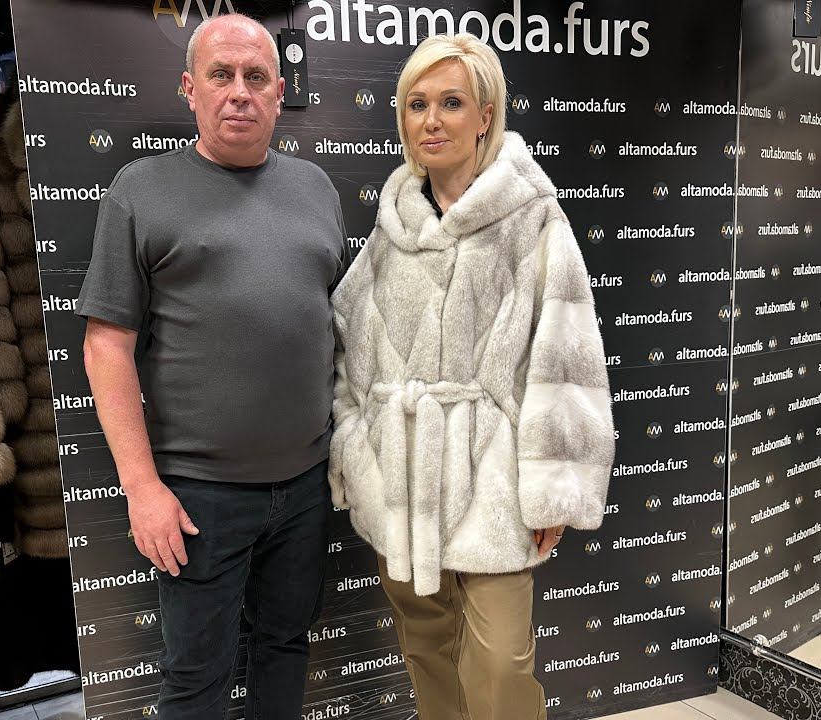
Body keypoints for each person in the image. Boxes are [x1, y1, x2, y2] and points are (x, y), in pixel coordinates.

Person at [329, 34, 615, 719]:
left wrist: (554, 489)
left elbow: (566, 358)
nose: (431, 120)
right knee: (426, 647)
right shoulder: (391, 228)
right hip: (401, 478)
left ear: (486, 115)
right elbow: (348, 349)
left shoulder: (533, 219)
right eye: (417, 104)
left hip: (496, 477)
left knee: (500, 665)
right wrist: (357, 447)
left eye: (451, 103)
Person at [76, 15, 350, 718]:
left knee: (286, 648)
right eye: (221, 75)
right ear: (189, 88)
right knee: (197, 679)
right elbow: (106, 346)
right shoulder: (141, 190)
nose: (239, 92)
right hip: (199, 496)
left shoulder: (317, 188)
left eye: (256, 77)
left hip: (306, 483)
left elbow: (336, 328)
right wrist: (142, 489)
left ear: (280, 91)